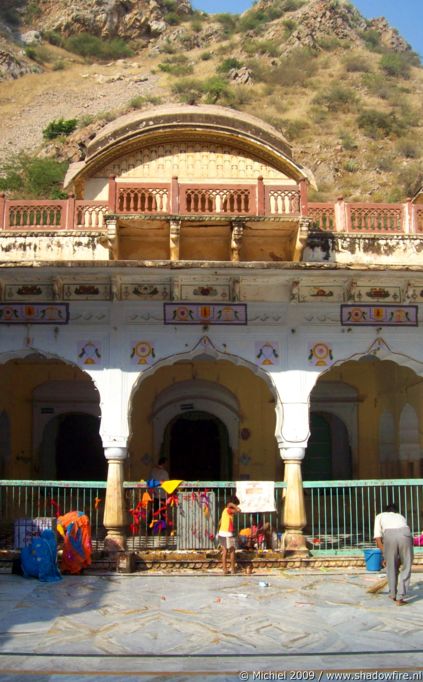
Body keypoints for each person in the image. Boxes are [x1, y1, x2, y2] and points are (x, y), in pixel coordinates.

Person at [373, 502, 413, 605]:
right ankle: (400, 598)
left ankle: (393, 594)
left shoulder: (380, 516)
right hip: (405, 534)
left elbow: (378, 539)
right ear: (395, 511)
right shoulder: (400, 516)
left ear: (385, 510)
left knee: (391, 567)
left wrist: (385, 556)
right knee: (406, 567)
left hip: (389, 535)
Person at [218, 495, 241, 575]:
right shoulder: (229, 510)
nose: (236, 506)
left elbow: (220, 522)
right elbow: (238, 510)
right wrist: (234, 506)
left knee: (224, 552)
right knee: (232, 551)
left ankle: (224, 570)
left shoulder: (224, 511)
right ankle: (233, 570)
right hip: (227, 533)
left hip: (221, 533)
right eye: (236, 504)